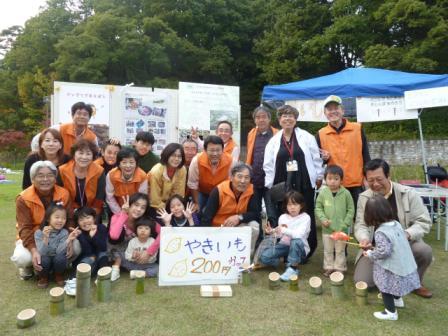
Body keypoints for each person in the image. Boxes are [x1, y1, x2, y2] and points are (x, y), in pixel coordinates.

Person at [354, 159, 433, 298]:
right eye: (370, 180)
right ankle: (392, 277)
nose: (375, 184)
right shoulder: (364, 197)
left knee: (424, 251)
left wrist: (407, 234)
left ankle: (415, 283)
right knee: (362, 281)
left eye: (379, 179)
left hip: (404, 245)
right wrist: (364, 238)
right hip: (375, 247)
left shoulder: (408, 194)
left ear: (389, 175)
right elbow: (361, 224)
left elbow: (423, 221)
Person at [264, 105, 324, 257]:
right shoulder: (273, 140)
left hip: (303, 182)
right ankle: (284, 249)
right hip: (282, 183)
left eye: (291, 115)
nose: (288, 118)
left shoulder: (307, 137)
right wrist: (269, 185)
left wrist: (319, 177)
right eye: (284, 116)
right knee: (284, 213)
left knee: (305, 213)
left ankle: (306, 250)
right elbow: (268, 164)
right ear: (279, 120)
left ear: (296, 119)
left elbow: (316, 158)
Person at [12, 161, 72, 280]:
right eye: (40, 175)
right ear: (33, 179)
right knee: (22, 257)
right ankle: (29, 266)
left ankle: (56, 268)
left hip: (59, 235)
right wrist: (33, 250)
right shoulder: (23, 198)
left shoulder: (64, 193)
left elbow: (69, 220)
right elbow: (24, 228)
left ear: (55, 178)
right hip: (34, 236)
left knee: (76, 247)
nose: (45, 179)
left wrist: (68, 239)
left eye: (50, 175)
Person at [363, 196, 420, 321]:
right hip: (403, 264)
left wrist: (371, 254)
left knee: (385, 286)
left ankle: (390, 312)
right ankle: (397, 300)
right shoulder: (396, 224)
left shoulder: (381, 232)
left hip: (391, 267)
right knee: (395, 285)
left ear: (371, 215)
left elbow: (384, 252)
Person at [316, 95, 370, 206]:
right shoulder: (321, 134)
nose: (333, 112)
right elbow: (317, 161)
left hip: (357, 183)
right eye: (329, 109)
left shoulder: (357, 128)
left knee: (359, 217)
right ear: (325, 113)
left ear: (343, 111)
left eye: (336, 108)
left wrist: (368, 177)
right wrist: (324, 158)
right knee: (338, 218)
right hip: (335, 184)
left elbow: (366, 155)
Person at [201, 163, 260, 255]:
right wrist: (206, 238)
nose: (243, 181)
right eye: (239, 177)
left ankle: (245, 257)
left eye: (247, 177)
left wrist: (239, 217)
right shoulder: (218, 190)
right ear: (231, 177)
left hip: (238, 226)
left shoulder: (252, 190)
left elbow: (255, 213)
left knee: (254, 225)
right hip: (219, 229)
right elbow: (207, 217)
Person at [108, 193, 161, 281]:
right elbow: (114, 236)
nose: (139, 209)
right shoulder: (117, 216)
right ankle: (115, 269)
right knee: (117, 251)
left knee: (157, 268)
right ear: (129, 205)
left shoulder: (145, 220)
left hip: (141, 255)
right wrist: (124, 213)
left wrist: (149, 252)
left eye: (143, 207)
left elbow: (163, 233)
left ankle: (138, 272)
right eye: (136, 205)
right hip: (122, 253)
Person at [259, 191, 310, 281]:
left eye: (295, 204)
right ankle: (285, 260)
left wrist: (283, 229)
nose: (292, 207)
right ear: (286, 206)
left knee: (296, 240)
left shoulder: (305, 217)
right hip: (284, 246)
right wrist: (272, 231)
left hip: (300, 247)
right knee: (264, 257)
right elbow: (280, 235)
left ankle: (293, 268)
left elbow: (299, 235)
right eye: (289, 204)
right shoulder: (283, 217)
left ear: (301, 205)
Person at [315, 165, 354, 277]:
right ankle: (329, 267)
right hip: (327, 229)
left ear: (341, 180)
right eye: (330, 178)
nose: (333, 182)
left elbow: (351, 209)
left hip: (342, 230)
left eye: (336, 179)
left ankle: (340, 268)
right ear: (325, 179)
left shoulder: (346, 193)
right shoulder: (323, 193)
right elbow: (318, 207)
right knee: (328, 250)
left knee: (340, 250)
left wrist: (345, 223)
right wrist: (322, 219)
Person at [246, 105, 278, 240]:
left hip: (271, 180)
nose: (261, 120)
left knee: (271, 211)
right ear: (255, 120)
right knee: (255, 211)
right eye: (258, 117)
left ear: (269, 119)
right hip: (255, 180)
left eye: (264, 117)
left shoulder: (277, 134)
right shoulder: (251, 134)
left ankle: (272, 238)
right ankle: (258, 239)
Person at [57, 139, 105, 217]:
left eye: (88, 154)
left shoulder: (99, 171)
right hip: (68, 212)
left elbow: (99, 199)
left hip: (91, 213)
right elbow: (59, 195)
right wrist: (72, 213)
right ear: (74, 154)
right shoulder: (62, 171)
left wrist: (90, 215)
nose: (84, 157)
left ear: (93, 156)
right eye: (81, 153)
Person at [31, 102, 98, 156]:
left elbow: (95, 154)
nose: (82, 117)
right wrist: (39, 156)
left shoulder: (92, 137)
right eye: (79, 113)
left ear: (89, 118)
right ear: (72, 115)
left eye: (85, 114)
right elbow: (36, 140)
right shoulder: (59, 129)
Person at [34, 204, 77, 288]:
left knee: (60, 258)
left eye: (63, 218)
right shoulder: (39, 233)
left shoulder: (64, 232)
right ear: (48, 218)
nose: (60, 220)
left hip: (56, 258)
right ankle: (43, 277)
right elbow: (42, 253)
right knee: (43, 259)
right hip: (45, 258)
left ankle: (58, 275)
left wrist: (68, 240)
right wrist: (46, 237)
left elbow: (59, 251)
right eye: (57, 217)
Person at [187, 135, 233, 212]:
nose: (215, 153)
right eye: (211, 150)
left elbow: (232, 183)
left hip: (222, 193)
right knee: (197, 211)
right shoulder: (196, 160)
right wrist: (196, 203)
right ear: (205, 150)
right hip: (202, 192)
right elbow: (192, 184)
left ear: (223, 150)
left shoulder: (230, 161)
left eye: (218, 150)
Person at [106, 147, 148, 215]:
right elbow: (110, 197)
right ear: (119, 164)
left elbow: (142, 199)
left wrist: (132, 213)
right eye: (124, 162)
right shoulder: (111, 175)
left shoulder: (142, 176)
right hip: (117, 208)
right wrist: (120, 213)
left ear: (136, 164)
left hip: (136, 210)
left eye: (131, 162)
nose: (128, 166)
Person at [149, 143, 187, 213]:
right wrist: (168, 211)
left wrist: (175, 208)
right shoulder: (156, 171)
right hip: (153, 206)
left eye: (179, 156)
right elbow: (155, 199)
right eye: (173, 155)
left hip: (171, 206)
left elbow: (178, 194)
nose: (176, 159)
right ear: (167, 155)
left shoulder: (182, 169)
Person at [73, 207, 108, 276]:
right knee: (87, 260)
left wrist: (93, 236)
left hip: (100, 258)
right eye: (81, 219)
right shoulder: (80, 233)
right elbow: (88, 252)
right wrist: (82, 236)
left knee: (102, 254)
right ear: (78, 223)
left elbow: (103, 248)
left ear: (94, 218)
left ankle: (103, 276)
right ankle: (74, 279)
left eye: (88, 218)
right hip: (87, 260)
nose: (85, 221)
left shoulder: (101, 228)